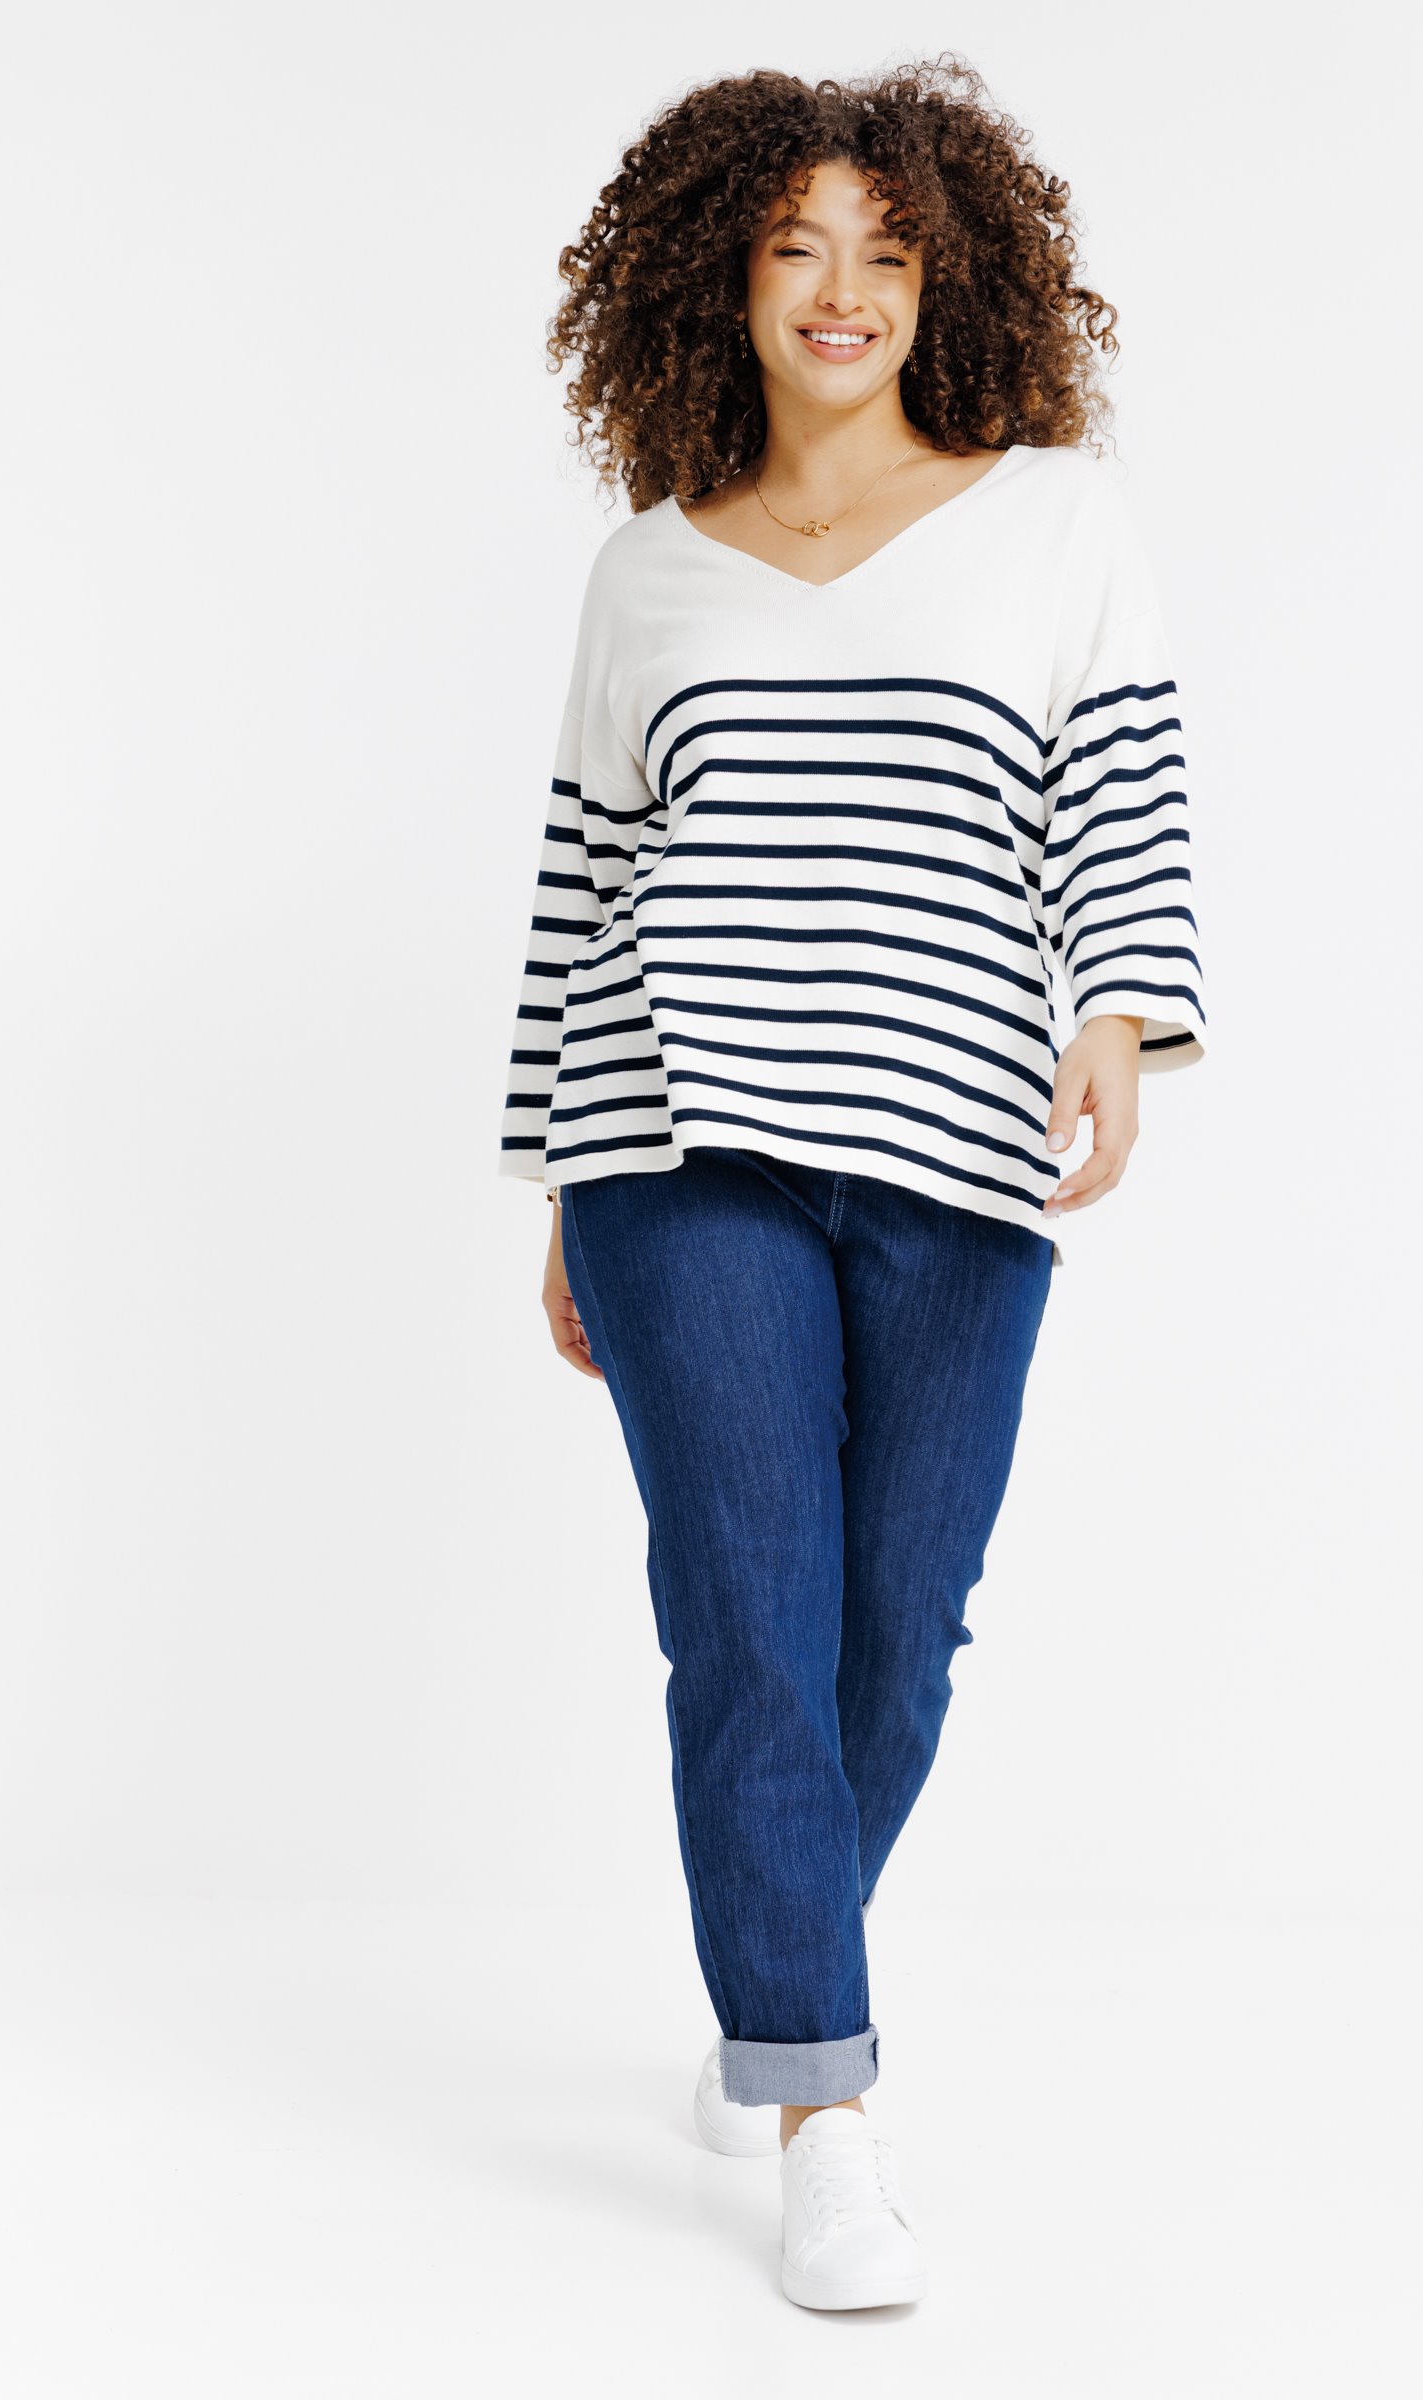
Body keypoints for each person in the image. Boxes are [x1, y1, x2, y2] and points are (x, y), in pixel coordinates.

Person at [496, 55, 1207, 2313]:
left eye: (885, 254)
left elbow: (1121, 793)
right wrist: (559, 1184)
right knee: (747, 1616)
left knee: (897, 1634)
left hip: (955, 1145)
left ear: (944, 282)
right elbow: (586, 882)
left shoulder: (1052, 520)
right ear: (720, 276)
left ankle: (772, 1975)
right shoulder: (645, 569)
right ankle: (824, 2108)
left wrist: (1119, 1016)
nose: (840, 291)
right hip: (673, 1152)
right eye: (796, 245)